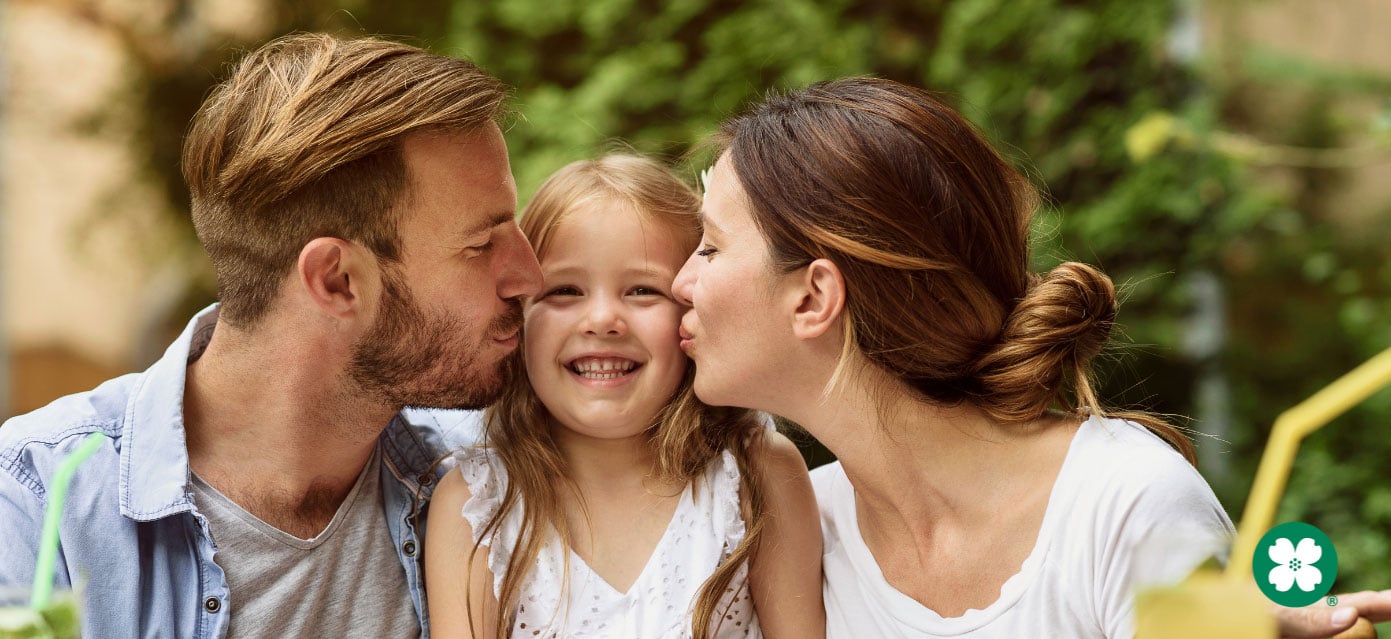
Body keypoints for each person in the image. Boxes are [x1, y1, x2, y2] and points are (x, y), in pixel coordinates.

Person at [671, 76, 1391, 638]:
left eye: (709, 247)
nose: (681, 283)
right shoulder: (797, 535)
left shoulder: (1121, 502)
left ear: (812, 298)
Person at [0, 33, 541, 637]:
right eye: (481, 243)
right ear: (336, 281)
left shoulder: (485, 482)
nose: (530, 276)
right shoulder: (37, 502)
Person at [423, 155, 824, 638]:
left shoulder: (755, 474)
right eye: (566, 290)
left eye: (640, 290)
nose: (602, 320)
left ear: (691, 310)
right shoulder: (476, 503)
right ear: (520, 318)